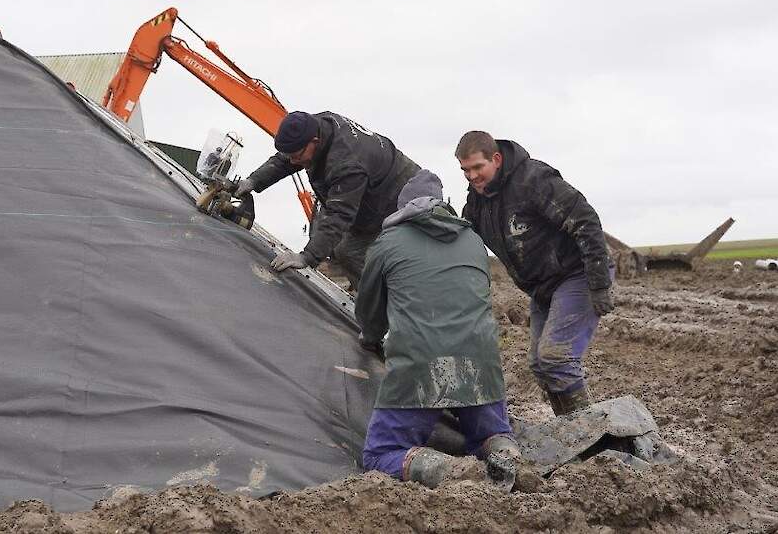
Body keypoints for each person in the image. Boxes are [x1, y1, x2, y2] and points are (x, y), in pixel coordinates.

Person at [355, 170, 520, 489]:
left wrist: (371, 339)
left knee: (380, 454)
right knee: (490, 435)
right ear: (444, 204)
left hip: (419, 367)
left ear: (401, 209)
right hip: (480, 366)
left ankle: (447, 470)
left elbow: (369, 312)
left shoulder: (387, 242)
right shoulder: (473, 240)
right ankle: (508, 455)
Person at [457, 131, 614, 416]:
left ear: (496, 159)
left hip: (577, 274)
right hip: (543, 288)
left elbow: (585, 220)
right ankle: (571, 430)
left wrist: (600, 283)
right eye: (465, 170)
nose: (472, 176)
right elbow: (462, 233)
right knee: (541, 365)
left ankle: (591, 433)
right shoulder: (478, 200)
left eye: (477, 167)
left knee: (556, 358)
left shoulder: (533, 180)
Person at [234, 111, 420, 288]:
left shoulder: (347, 164)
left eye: (296, 157)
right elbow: (284, 160)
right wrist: (253, 181)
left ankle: (387, 310)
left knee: (349, 252)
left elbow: (339, 215)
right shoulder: (315, 127)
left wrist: (306, 257)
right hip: (376, 185)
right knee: (331, 239)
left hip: (400, 197)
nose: (292, 162)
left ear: (314, 142)